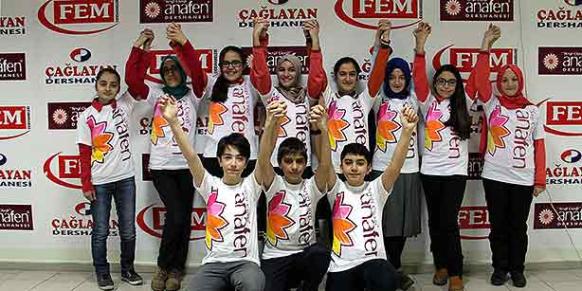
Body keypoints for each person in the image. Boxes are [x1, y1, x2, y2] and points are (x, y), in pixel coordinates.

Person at [160, 95, 278, 291]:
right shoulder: (209, 185)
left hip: (246, 263)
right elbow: (190, 156)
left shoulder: (252, 185)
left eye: (240, 158)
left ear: (246, 162)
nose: (233, 163)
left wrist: (272, 121)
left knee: (254, 285)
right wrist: (173, 121)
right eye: (228, 157)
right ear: (219, 160)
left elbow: (264, 153)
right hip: (214, 264)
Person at [124, 24, 200, 291]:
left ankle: (176, 271)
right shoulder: (157, 95)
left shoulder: (194, 95)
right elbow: (133, 80)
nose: (169, 73)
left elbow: (198, 74)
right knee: (177, 216)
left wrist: (182, 43)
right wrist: (140, 47)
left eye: (173, 68)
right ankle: (162, 267)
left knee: (183, 218)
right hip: (162, 167)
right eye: (165, 70)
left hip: (188, 167)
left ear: (180, 72)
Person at [474, 24, 546, 288]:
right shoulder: (491, 103)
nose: (509, 83)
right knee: (498, 227)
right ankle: (499, 268)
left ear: (520, 81)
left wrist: (539, 179)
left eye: (513, 79)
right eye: (504, 80)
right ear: (499, 84)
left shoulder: (533, 111)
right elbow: (481, 80)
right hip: (494, 176)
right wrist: (486, 45)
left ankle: (517, 269)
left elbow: (539, 147)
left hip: (523, 179)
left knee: (518, 228)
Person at [412, 22, 481, 291]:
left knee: (449, 222)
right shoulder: (428, 103)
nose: (446, 86)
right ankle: (440, 265)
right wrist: (420, 46)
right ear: (435, 83)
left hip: (454, 173)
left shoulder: (463, 104)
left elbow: (478, 77)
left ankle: (456, 272)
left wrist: (485, 47)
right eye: (441, 81)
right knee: (435, 222)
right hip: (429, 171)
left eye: (451, 82)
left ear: (457, 85)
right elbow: (418, 77)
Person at [324, 105, 419, 291]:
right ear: (341, 167)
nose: (353, 168)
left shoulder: (377, 189)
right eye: (349, 163)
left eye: (360, 163)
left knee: (385, 278)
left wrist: (407, 131)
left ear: (368, 169)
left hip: (374, 262)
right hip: (340, 267)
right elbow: (325, 160)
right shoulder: (335, 189)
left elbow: (395, 166)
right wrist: (323, 127)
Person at [77, 67, 142, 290]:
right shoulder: (86, 116)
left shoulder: (125, 104)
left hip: (125, 178)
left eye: (113, 84)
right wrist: (86, 183)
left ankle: (127, 270)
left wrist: (140, 48)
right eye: (103, 83)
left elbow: (137, 78)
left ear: (118, 88)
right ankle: (102, 273)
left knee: (128, 230)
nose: (108, 88)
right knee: (101, 230)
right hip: (100, 182)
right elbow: (84, 152)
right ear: (96, 85)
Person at [258, 101, 332, 290]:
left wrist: (324, 129)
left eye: (299, 161)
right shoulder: (273, 183)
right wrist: (270, 124)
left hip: (305, 255)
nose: (294, 166)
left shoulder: (312, 186)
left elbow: (325, 164)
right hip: (275, 256)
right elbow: (263, 158)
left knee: (321, 253)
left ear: (306, 163)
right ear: (280, 164)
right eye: (288, 161)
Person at [173, 28, 260, 178]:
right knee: (218, 202)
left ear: (243, 66)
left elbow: (262, 73)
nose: (231, 67)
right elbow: (194, 69)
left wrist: (260, 41)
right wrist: (183, 43)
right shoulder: (212, 83)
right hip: (215, 157)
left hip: (246, 157)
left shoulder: (251, 83)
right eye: (226, 63)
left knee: (246, 201)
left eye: (235, 63)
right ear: (220, 66)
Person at [250, 17, 326, 176]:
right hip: (275, 165)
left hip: (302, 164)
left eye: (291, 69)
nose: (286, 74)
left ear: (298, 72)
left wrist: (314, 41)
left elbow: (317, 77)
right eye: (282, 69)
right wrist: (258, 40)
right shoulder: (271, 95)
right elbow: (260, 74)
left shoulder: (306, 96)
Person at [370, 56, 421, 290]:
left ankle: (396, 267)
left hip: (409, 168)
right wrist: (381, 46)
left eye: (402, 77)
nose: (397, 81)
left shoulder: (414, 100)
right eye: (392, 77)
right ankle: (388, 268)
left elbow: (421, 79)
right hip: (381, 167)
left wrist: (419, 47)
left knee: (401, 224)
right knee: (385, 222)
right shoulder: (378, 99)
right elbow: (373, 76)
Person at [322, 20, 392, 175]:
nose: (347, 79)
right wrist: (311, 41)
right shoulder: (329, 98)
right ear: (336, 76)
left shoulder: (363, 100)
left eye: (352, 74)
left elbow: (377, 75)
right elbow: (316, 75)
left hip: (361, 170)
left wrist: (384, 44)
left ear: (357, 77)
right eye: (343, 74)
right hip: (334, 170)